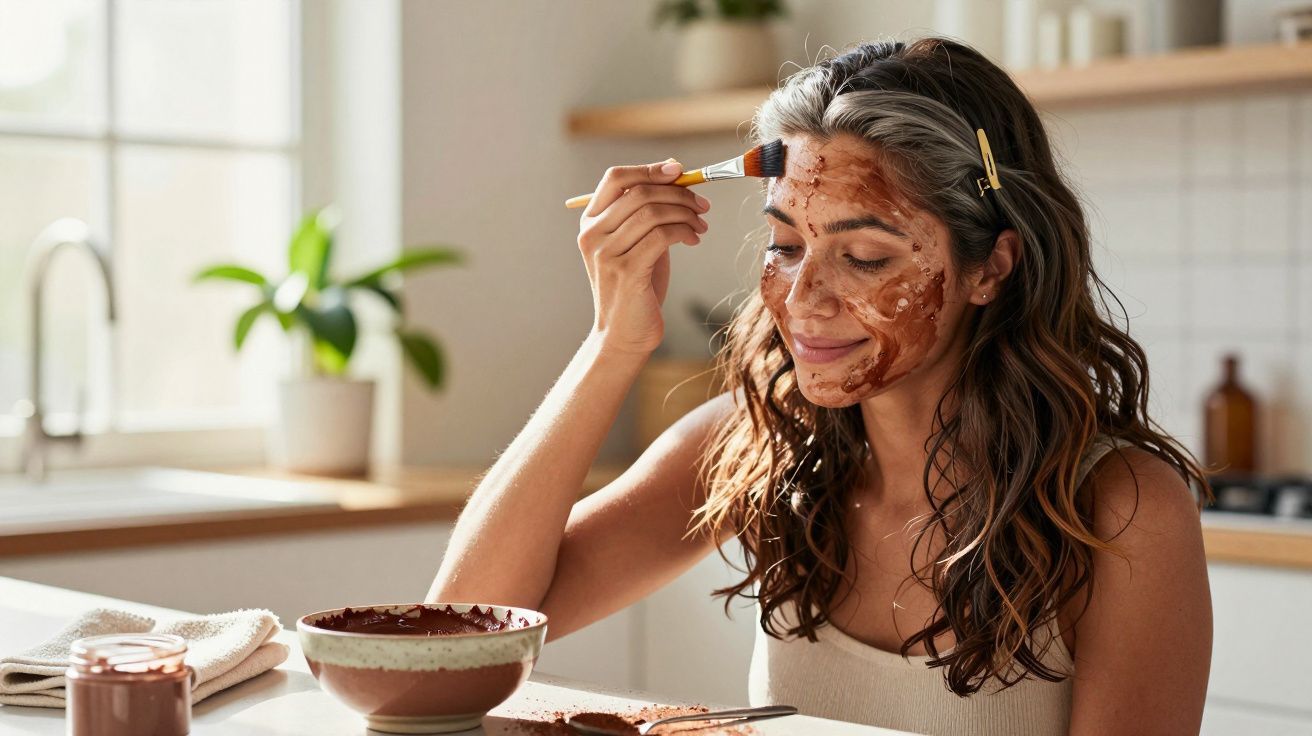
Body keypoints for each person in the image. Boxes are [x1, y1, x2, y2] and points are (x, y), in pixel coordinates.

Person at [428, 37, 1212, 736]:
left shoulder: (1119, 511)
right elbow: (457, 640)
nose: (803, 298)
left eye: (865, 256)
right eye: (784, 244)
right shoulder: (755, 444)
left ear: (991, 267)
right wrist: (612, 342)